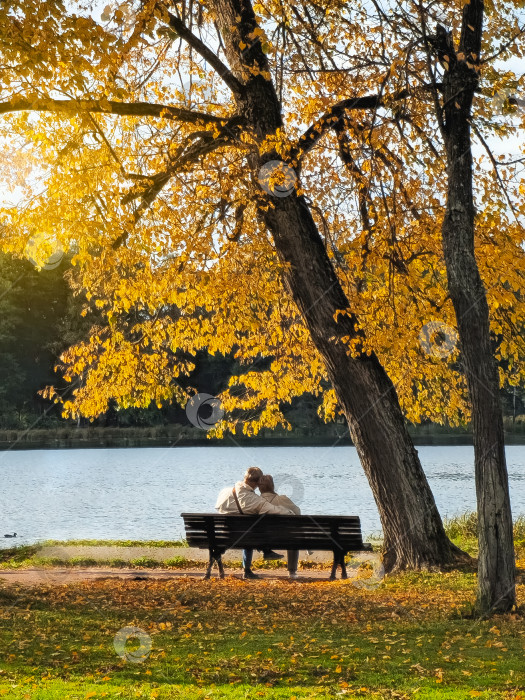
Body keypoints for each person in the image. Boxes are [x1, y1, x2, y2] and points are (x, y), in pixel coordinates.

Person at [215, 467, 294, 579]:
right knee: (251, 530)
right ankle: (262, 553)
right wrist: (290, 512)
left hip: (225, 535)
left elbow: (218, 507)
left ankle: (265, 551)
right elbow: (276, 510)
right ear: (259, 482)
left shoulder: (224, 492)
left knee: (247, 529)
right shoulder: (255, 501)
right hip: (245, 538)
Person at [259, 474, 301, 579]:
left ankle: (247, 569)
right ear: (272, 486)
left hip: (261, 540)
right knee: (293, 538)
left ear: (259, 487)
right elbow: (298, 512)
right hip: (285, 538)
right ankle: (292, 572)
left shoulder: (255, 501)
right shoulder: (282, 499)